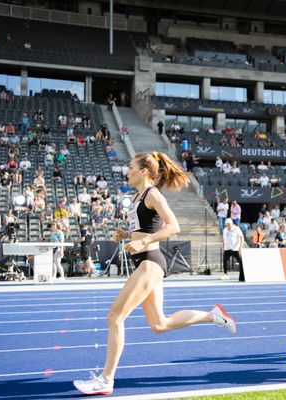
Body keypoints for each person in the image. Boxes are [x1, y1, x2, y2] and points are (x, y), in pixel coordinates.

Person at [73, 152, 237, 395]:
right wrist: (127, 235)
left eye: (130, 167)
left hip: (150, 262)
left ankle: (106, 380)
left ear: (143, 171)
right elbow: (144, 228)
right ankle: (212, 316)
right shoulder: (138, 196)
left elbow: (173, 227)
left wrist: (144, 242)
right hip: (146, 261)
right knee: (160, 324)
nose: (126, 171)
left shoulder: (153, 194)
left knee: (114, 317)